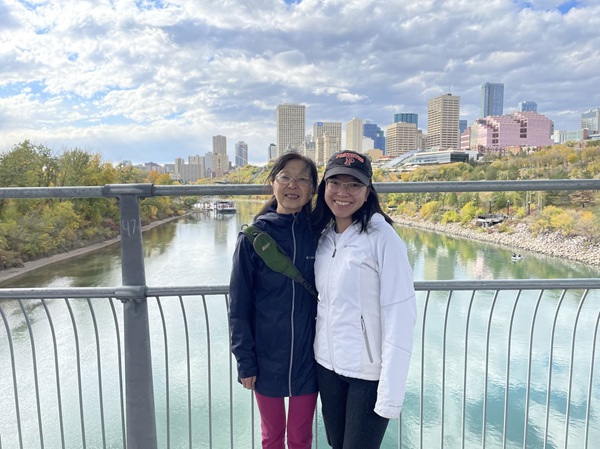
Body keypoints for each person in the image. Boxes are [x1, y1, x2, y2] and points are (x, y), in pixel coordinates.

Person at [311, 150, 417, 449]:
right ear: (324, 188)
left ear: (368, 191)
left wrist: (390, 395)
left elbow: (401, 314)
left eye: (354, 185)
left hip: (367, 374)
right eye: (335, 183)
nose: (343, 193)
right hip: (327, 366)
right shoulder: (324, 236)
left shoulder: (382, 238)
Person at [228, 152, 319, 449]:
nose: (293, 185)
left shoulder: (321, 233)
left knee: (301, 437)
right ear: (272, 183)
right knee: (271, 437)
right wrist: (245, 361)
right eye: (285, 177)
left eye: (303, 179)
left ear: (312, 190)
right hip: (265, 360)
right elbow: (238, 307)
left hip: (311, 358)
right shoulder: (254, 238)